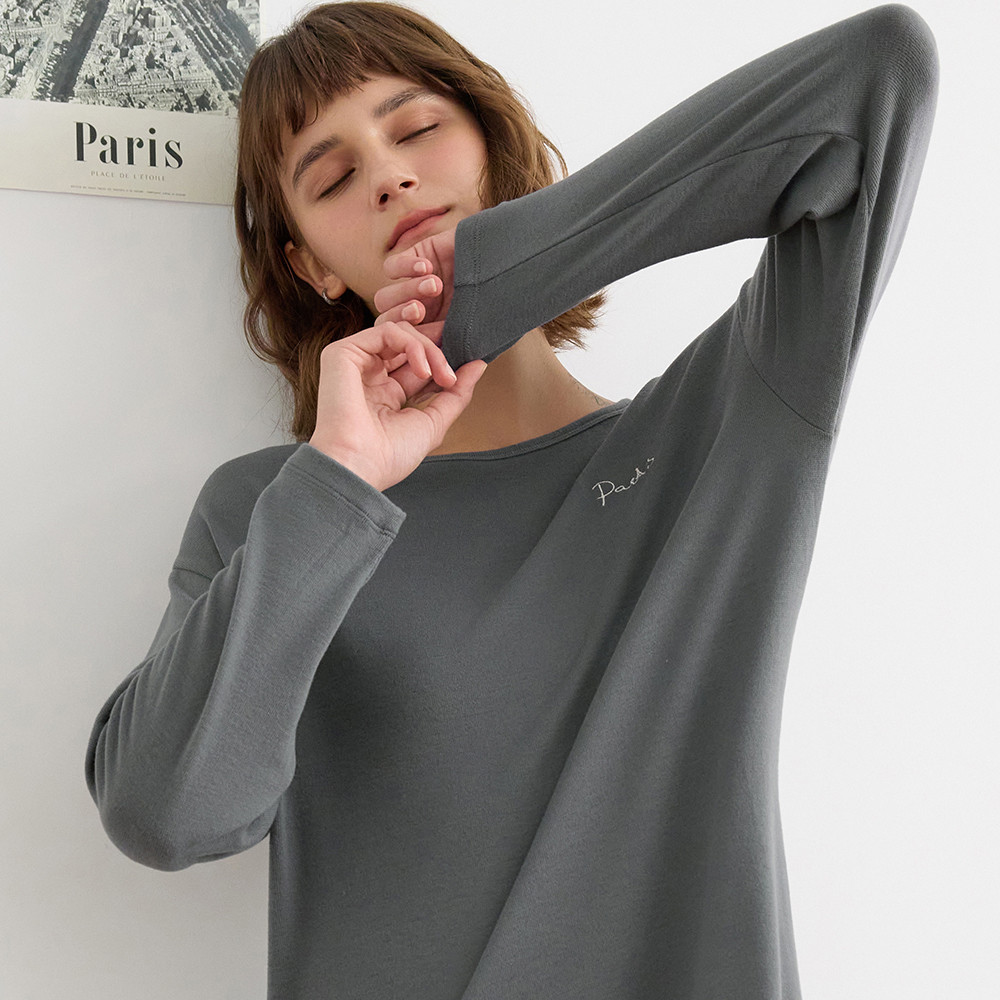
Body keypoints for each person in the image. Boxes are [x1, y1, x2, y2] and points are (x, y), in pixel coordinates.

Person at [85, 2, 939, 997]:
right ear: (310, 265)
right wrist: (340, 476)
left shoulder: (727, 429)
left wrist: (498, 272)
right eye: (332, 179)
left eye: (418, 129)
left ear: (496, 145)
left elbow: (877, 80)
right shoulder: (275, 507)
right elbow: (166, 813)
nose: (389, 177)